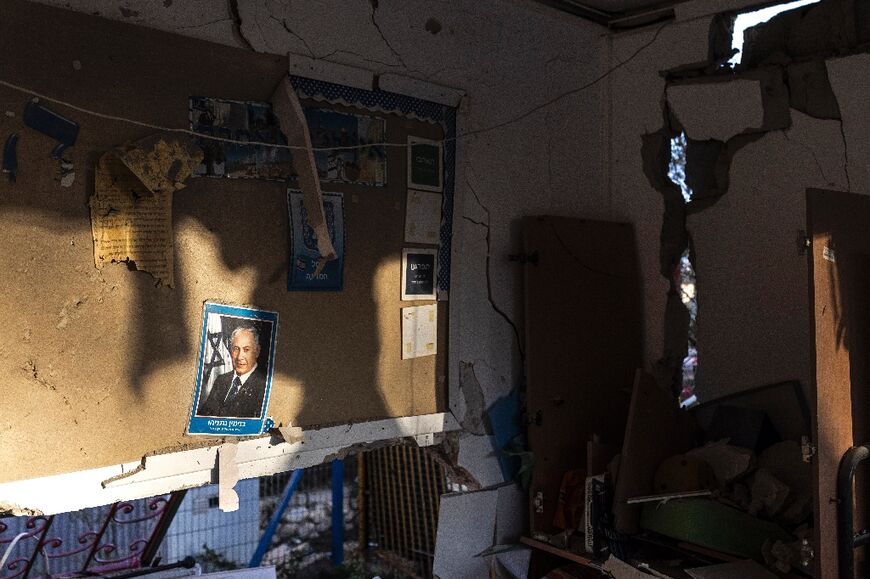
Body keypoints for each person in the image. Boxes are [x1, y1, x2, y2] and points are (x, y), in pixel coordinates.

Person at [197, 325, 267, 418]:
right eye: (236, 349)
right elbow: (204, 416)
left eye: (246, 350)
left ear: (257, 351)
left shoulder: (263, 386)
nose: (239, 357)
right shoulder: (221, 380)